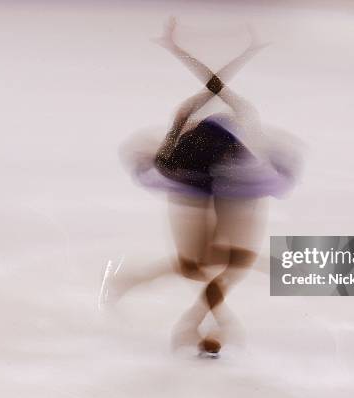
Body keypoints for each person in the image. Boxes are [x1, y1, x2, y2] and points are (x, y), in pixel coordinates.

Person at [104, 17, 301, 358]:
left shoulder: (184, 143)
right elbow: (220, 93)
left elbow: (215, 93)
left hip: (218, 177)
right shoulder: (189, 144)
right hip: (214, 178)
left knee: (217, 263)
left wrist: (184, 53)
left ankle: (199, 321)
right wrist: (195, 55)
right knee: (210, 264)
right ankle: (201, 321)